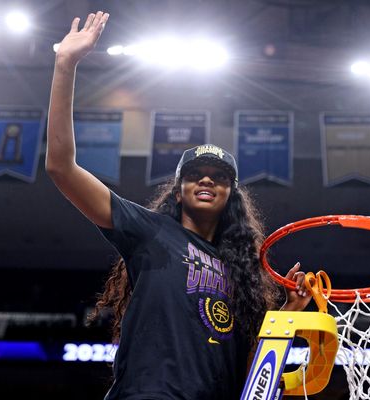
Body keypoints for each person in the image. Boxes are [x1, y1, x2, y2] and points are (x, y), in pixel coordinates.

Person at [46, 11, 311, 399]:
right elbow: (60, 166)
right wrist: (65, 64)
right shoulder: (148, 230)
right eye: (195, 173)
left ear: (231, 193)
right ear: (178, 187)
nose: (206, 179)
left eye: (218, 176)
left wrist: (289, 312)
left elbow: (256, 376)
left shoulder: (244, 275)